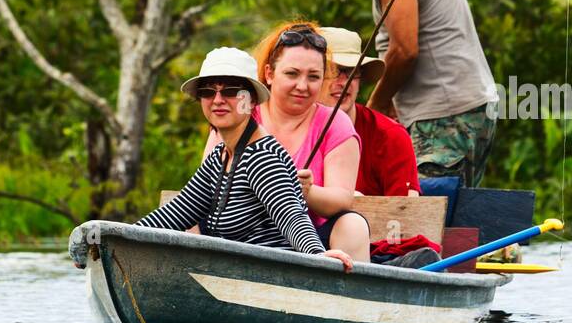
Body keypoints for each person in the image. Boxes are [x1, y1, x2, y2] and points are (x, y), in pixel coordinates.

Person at [129, 47, 356, 269]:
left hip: (272, 277)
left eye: (230, 91)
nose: (217, 99)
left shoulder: (262, 156)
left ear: (252, 100)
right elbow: (173, 214)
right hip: (231, 274)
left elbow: (290, 214)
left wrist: (317, 255)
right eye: (208, 92)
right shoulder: (219, 159)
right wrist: (119, 238)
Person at [320, 0, 498, 187]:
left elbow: (404, 51)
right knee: (451, 217)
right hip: (463, 109)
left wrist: (375, 106)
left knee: (424, 212)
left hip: (444, 117)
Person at [203, 22, 371, 263]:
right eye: (292, 74)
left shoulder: (336, 123)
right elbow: (204, 191)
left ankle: (345, 295)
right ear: (269, 74)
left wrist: (308, 192)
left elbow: (342, 199)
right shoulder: (239, 117)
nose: (302, 86)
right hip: (238, 237)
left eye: (313, 77)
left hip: (311, 241)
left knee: (353, 224)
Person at [318, 26, 420, 196]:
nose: (344, 81)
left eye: (352, 71)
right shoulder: (288, 130)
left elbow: (407, 212)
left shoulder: (390, 135)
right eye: (332, 71)